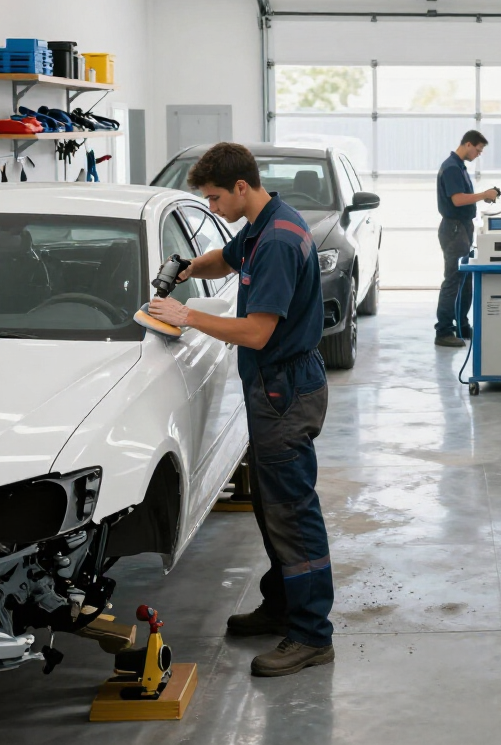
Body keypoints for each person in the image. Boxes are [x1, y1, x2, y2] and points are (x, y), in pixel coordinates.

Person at [148, 142, 334, 678]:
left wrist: (187, 316)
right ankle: (282, 606)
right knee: (271, 507)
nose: (212, 208)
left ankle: (312, 635)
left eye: (214, 198)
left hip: (285, 390)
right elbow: (226, 258)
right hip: (276, 387)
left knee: (292, 514)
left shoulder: (277, 241)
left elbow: (256, 332)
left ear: (242, 188)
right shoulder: (265, 220)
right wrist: (184, 268)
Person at [434, 130, 500, 347]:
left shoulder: (459, 166)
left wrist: (481, 199)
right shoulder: (452, 167)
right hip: (454, 230)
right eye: (478, 150)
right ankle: (443, 331)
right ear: (468, 144)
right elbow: (458, 200)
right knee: (453, 280)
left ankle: (462, 325)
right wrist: (484, 195)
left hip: (461, 228)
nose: (478, 155)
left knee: (465, 280)